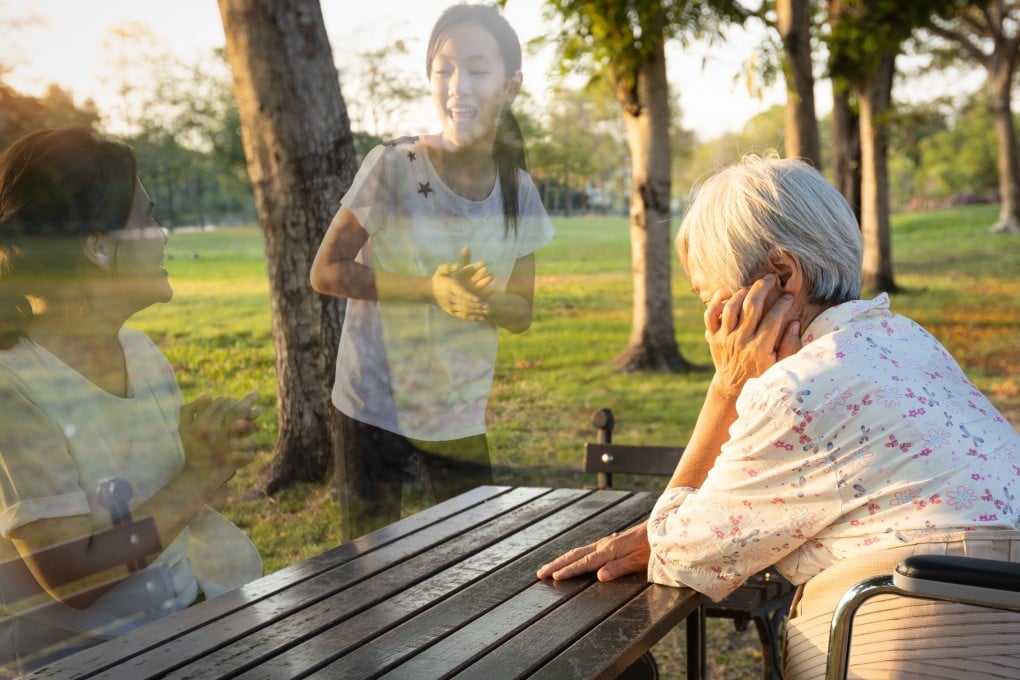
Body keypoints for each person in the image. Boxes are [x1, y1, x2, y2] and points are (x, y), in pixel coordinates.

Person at [536, 155, 1020, 679]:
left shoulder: (799, 388)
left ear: (782, 276)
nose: (709, 322)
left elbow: (681, 553)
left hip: (913, 648)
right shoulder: (908, 340)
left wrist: (727, 387)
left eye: (710, 297)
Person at [0, 126, 263, 678]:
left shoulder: (139, 352)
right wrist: (198, 477)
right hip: (96, 662)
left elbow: (161, 511)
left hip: (187, 624)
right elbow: (72, 576)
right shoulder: (14, 389)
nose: (164, 235)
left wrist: (207, 455)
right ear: (97, 246)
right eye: (148, 219)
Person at [310, 3, 554, 540]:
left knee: (470, 565)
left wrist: (477, 300)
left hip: (458, 415)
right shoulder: (393, 166)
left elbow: (521, 313)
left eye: (477, 68)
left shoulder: (519, 191)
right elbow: (326, 272)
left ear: (511, 86)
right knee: (368, 577)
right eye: (443, 69)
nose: (457, 85)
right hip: (372, 405)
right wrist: (431, 289)